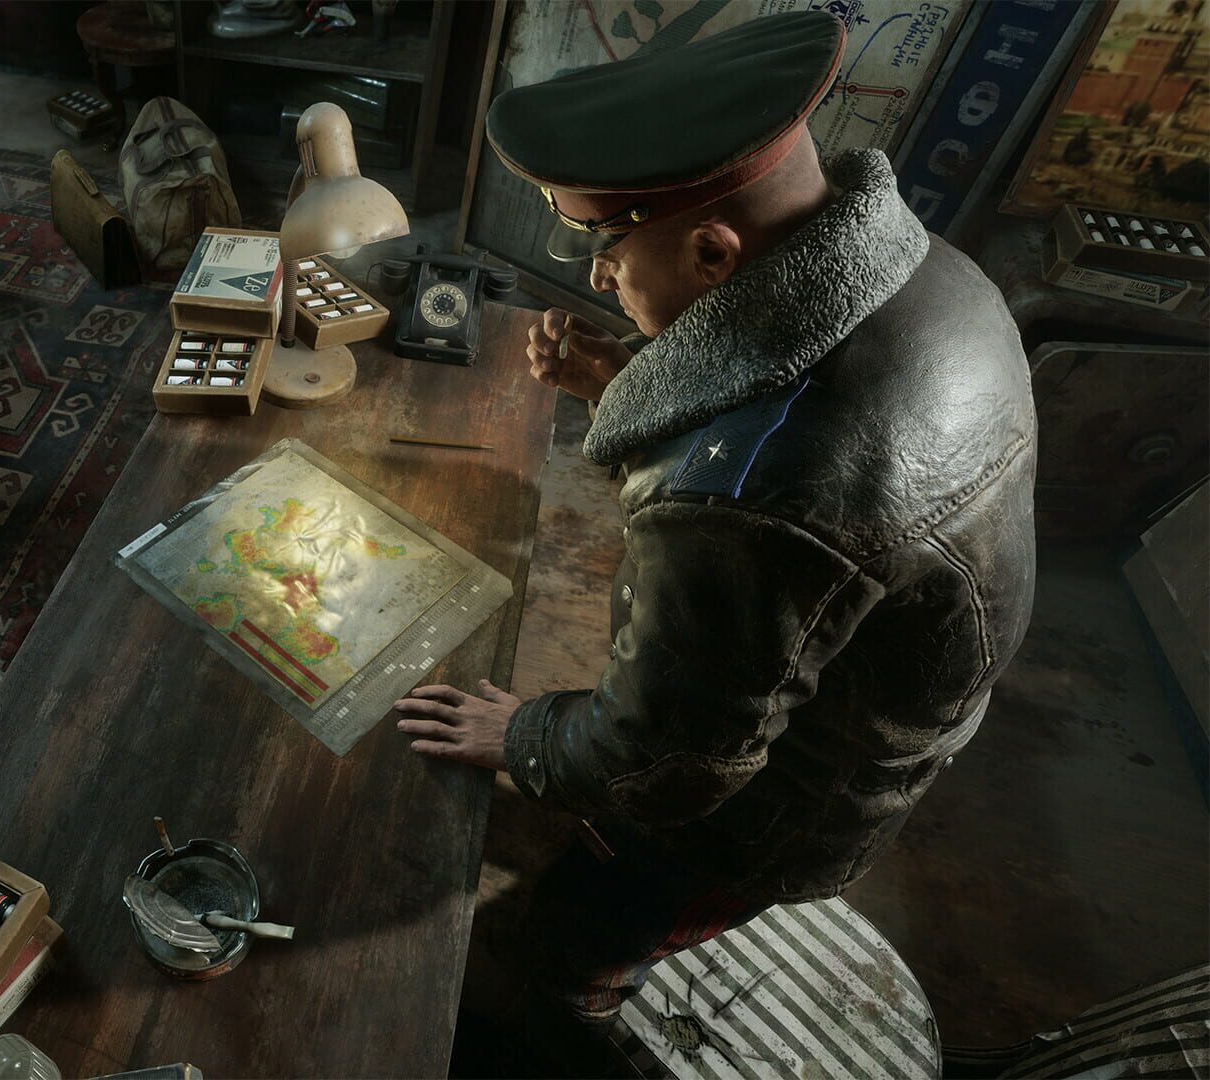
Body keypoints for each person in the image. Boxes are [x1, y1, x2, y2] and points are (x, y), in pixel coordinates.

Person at [391, 7, 1038, 1048]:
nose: (596, 275)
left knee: (583, 923)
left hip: (779, 807)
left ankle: (568, 1019)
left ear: (710, 249)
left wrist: (525, 735)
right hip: (886, 697)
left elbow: (670, 760)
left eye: (604, 242)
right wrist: (637, 381)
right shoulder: (932, 277)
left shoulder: (745, 503)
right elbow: (808, 437)